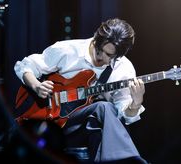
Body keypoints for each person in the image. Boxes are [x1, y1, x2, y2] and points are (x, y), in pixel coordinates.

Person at [14, 18, 147, 163]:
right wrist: (36, 85)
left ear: (119, 55)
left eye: (109, 55)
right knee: (101, 120)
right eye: (99, 49)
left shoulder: (124, 69)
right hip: (50, 124)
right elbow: (25, 66)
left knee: (104, 110)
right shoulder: (68, 50)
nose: (101, 57)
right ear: (96, 39)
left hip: (80, 125)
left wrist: (135, 104)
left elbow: (124, 116)